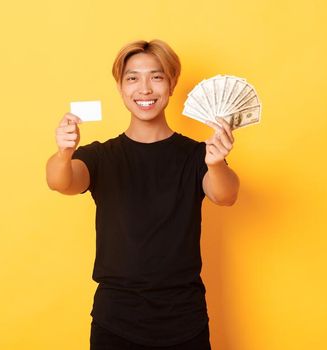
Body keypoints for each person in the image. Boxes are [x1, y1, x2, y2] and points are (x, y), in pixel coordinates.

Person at [45, 39, 240, 349]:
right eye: (133, 78)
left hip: (184, 319)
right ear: (121, 87)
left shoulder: (197, 155)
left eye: (157, 76)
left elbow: (225, 195)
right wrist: (63, 153)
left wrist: (215, 164)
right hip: (116, 321)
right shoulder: (101, 156)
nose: (145, 88)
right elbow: (61, 181)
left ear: (172, 84)